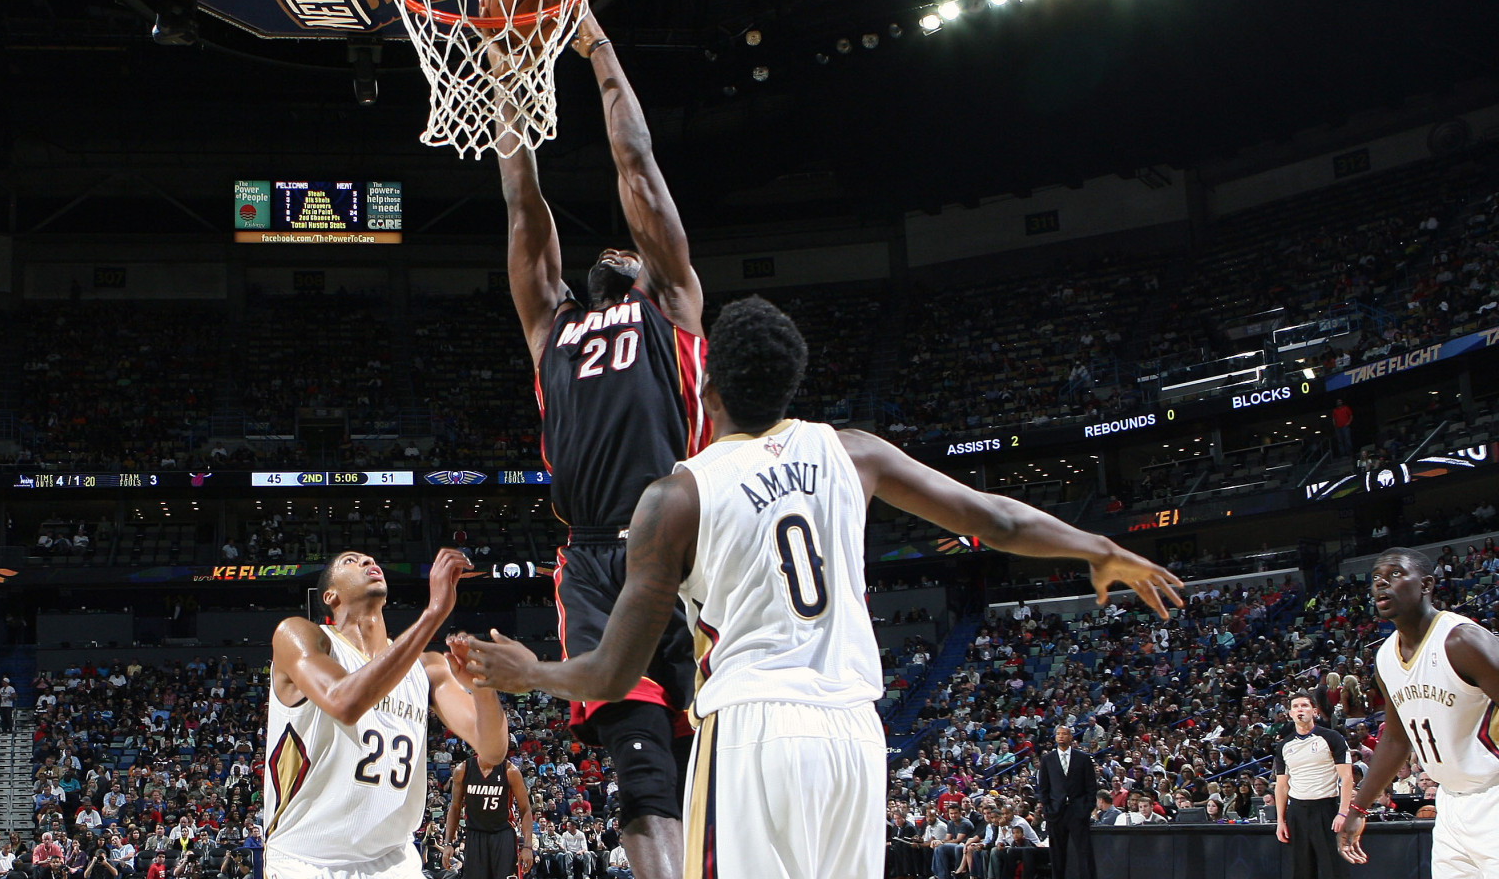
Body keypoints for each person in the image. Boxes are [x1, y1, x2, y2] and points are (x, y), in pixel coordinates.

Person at [463, 299, 1184, 878]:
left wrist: (532, 675)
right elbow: (992, 517)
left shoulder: (678, 494)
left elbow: (614, 671)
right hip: (854, 734)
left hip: (751, 729)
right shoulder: (853, 452)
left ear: (705, 385)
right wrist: (1100, 546)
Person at [497, 1, 708, 879]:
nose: (622, 245)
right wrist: (507, 86)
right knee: (642, 777)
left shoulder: (673, 305)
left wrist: (597, 47)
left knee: (706, 761)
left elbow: (638, 164)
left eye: (634, 245)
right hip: (590, 562)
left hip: (685, 547)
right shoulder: (554, 325)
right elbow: (523, 206)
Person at [263, 549, 508, 879]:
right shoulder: (301, 636)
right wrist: (434, 613)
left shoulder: (428, 668)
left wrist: (482, 684)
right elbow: (344, 702)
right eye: (351, 560)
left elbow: (492, 748)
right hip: (307, 860)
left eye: (369, 559)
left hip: (394, 859)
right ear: (330, 595)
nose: (367, 562)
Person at [1339, 548, 1499, 878]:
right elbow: (1397, 739)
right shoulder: (1384, 658)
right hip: (1451, 804)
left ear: (1426, 584)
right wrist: (1358, 806)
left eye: (1396, 574)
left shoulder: (1462, 640)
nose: (1382, 582)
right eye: (1376, 578)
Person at [1273, 692, 1353, 879]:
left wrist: (1343, 812)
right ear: (1290, 714)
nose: (1300, 710)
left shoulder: (1332, 738)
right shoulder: (1283, 745)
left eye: (1304, 705)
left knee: (1334, 869)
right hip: (1297, 812)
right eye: (1295, 707)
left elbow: (1347, 778)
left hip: (1326, 809)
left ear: (1314, 711)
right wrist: (1280, 820)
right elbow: (1282, 786)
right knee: (1299, 870)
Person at [445, 754, 535, 879]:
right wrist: (448, 843)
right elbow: (455, 807)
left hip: (503, 834)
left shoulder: (510, 770)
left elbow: (525, 809)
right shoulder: (463, 769)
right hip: (475, 835)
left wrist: (527, 846)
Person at [1036, 725, 1097, 879]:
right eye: (1058, 734)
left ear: (1071, 737)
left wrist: (1087, 808)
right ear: (1055, 737)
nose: (1061, 736)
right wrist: (1047, 809)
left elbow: (1091, 786)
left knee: (1085, 853)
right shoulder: (1047, 759)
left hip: (1078, 811)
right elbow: (1043, 787)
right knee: (1057, 854)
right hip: (1056, 812)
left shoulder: (1083, 758)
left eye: (1065, 734)